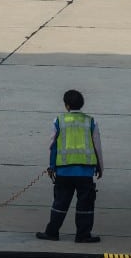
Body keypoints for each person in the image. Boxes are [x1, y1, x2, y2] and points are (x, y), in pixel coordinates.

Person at [37, 89, 103, 243]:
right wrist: (100, 167)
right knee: (85, 205)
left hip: (64, 171)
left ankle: (52, 232)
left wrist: (52, 166)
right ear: (82, 104)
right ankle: (83, 235)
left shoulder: (59, 121)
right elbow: (97, 146)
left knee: (60, 203)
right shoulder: (90, 121)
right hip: (85, 172)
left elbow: (53, 146)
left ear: (66, 105)